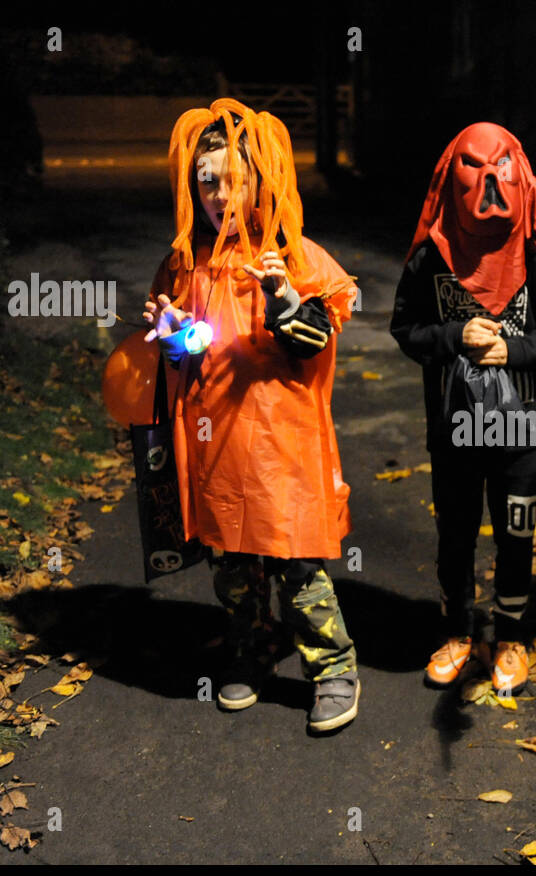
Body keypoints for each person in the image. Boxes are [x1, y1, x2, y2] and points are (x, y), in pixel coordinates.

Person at [142, 99, 361, 732]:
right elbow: (184, 349)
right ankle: (255, 644)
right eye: (206, 181)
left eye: (233, 180)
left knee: (295, 560)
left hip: (280, 442)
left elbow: (313, 339)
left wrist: (284, 297)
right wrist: (173, 331)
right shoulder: (187, 263)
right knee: (230, 563)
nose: (219, 195)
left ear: (260, 183)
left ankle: (333, 667)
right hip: (215, 443)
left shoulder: (294, 256)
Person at [391, 122, 536, 694]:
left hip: (520, 428)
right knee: (456, 531)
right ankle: (458, 632)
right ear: (452, 177)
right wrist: (452, 337)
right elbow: (405, 328)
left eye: (501, 166)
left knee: (516, 531)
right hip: (453, 430)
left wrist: (512, 350)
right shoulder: (431, 259)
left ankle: (512, 636)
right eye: (474, 166)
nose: (490, 179)